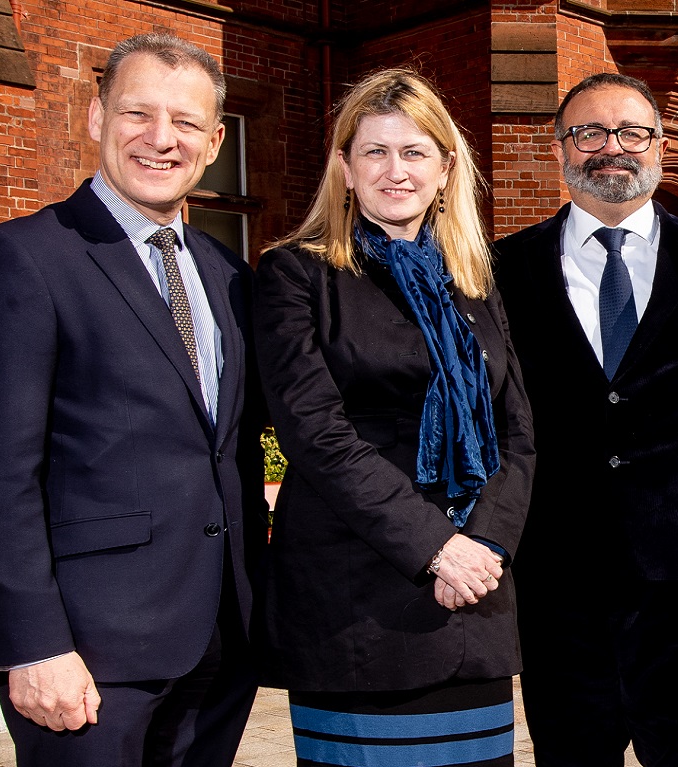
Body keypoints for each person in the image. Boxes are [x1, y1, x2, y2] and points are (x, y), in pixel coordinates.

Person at [0, 33, 265, 766]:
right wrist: (33, 644)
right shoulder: (24, 258)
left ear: (214, 140)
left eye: (185, 123)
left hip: (221, 642)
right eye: (137, 113)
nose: (161, 139)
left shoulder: (225, 273)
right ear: (95, 118)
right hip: (88, 660)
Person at [253, 67, 534, 766]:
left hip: (475, 594)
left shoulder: (475, 282)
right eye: (374, 151)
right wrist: (437, 546)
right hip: (359, 599)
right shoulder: (296, 276)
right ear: (344, 168)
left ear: (445, 168)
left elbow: (517, 433)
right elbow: (315, 434)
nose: (395, 170)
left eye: (414, 152)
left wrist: (486, 547)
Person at [493, 72, 678, 766]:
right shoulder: (506, 266)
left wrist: (674, 470)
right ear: (560, 147)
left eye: (631, 132)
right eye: (589, 132)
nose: (610, 148)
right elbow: (496, 399)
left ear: (660, 145)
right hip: (556, 570)